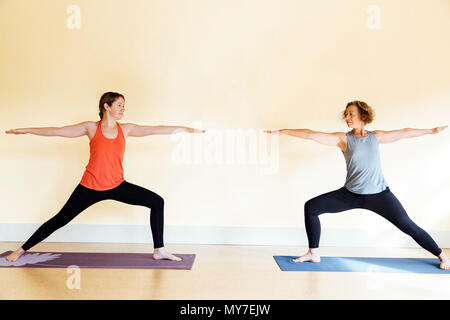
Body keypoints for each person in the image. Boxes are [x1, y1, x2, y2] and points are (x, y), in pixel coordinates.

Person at [5, 92, 205, 262]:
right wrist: (26, 130)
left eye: (123, 106)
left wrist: (186, 129)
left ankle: (159, 250)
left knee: (156, 201)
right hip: (89, 187)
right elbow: (58, 131)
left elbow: (156, 129)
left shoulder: (126, 129)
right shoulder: (91, 128)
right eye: (119, 105)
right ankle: (21, 249)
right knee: (60, 219)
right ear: (106, 106)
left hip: (117, 185)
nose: (122, 109)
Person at [265, 100, 449, 270]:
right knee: (311, 207)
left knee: (408, 225)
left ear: (363, 115)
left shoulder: (376, 137)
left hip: (379, 195)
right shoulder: (343, 139)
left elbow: (404, 132)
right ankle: (313, 252)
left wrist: (430, 131)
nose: (347, 118)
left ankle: (443, 256)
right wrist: (283, 131)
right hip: (350, 195)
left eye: (351, 114)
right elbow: (310, 134)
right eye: (346, 115)